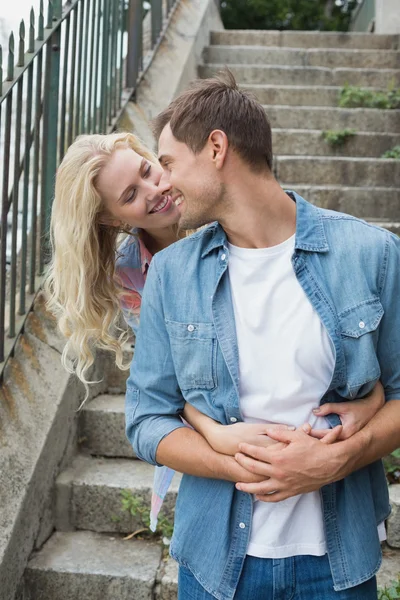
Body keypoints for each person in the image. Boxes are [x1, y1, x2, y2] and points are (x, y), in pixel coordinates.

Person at [125, 70, 400, 600]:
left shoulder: (371, 254)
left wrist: (342, 456)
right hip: (216, 565)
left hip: (337, 566)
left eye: (169, 163)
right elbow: (146, 418)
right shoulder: (173, 272)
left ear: (217, 147)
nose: (164, 183)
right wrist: (237, 460)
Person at [46, 131, 384, 532]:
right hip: (212, 438)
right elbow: (169, 382)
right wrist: (215, 434)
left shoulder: (221, 212)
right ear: (110, 218)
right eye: (130, 196)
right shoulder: (131, 272)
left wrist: (372, 397)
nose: (155, 190)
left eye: (148, 171)